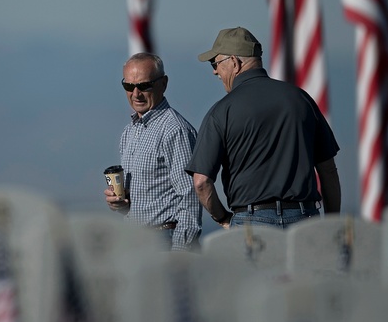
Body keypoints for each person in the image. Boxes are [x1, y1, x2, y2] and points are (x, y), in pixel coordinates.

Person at [185, 27, 341, 229]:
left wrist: (223, 218)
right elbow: (328, 170)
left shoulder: (222, 111)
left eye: (215, 63)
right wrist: (330, 225)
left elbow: (201, 182)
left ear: (234, 62)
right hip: (304, 221)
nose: (215, 70)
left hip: (251, 224)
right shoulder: (301, 100)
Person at [104, 53, 202, 250]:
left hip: (164, 239)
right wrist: (121, 205)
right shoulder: (130, 131)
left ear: (163, 84)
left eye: (144, 85)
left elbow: (190, 196)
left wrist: (180, 256)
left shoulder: (175, 130)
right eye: (129, 86)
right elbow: (147, 198)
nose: (136, 93)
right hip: (135, 240)